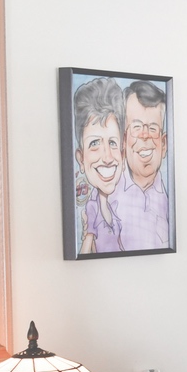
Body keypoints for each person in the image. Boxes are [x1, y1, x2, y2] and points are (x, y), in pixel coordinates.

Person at [115, 80, 171, 251]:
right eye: (137, 127)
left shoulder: (176, 202)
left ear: (164, 144)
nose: (145, 136)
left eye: (153, 128)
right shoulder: (107, 199)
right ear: (123, 140)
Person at [72, 77, 125, 254]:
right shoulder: (92, 207)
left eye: (112, 143)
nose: (107, 157)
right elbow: (86, 248)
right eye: (94, 143)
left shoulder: (118, 205)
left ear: (123, 155)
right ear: (81, 159)